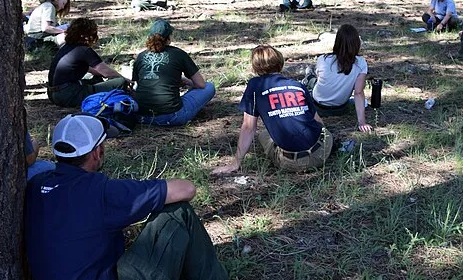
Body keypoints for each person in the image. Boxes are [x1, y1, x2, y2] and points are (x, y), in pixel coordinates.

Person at [25, 113, 254, 280]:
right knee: (177, 214)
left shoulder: (36, 185)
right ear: (97, 152)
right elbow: (186, 189)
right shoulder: (100, 192)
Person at [212, 45, 332, 175]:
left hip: (291, 163)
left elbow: (248, 127)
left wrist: (235, 163)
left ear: (255, 67)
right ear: (280, 62)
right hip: (321, 154)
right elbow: (318, 122)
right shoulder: (298, 86)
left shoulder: (255, 85)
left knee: (264, 135)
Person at [133, 19, 216, 126]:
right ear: (169, 37)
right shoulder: (179, 54)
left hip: (141, 116)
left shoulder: (141, 56)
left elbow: (138, 85)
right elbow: (201, 84)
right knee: (209, 87)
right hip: (172, 116)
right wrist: (185, 81)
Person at [47, 17, 130, 108]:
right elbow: (106, 72)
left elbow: (92, 70)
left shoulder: (66, 47)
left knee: (95, 79)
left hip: (53, 94)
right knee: (120, 82)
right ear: (87, 35)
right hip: (68, 95)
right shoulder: (84, 50)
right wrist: (125, 80)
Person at [304, 24, 372, 132]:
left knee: (312, 80)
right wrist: (362, 123)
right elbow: (358, 93)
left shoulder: (323, 59)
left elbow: (322, 78)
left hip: (318, 106)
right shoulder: (361, 63)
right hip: (340, 108)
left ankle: (307, 78)